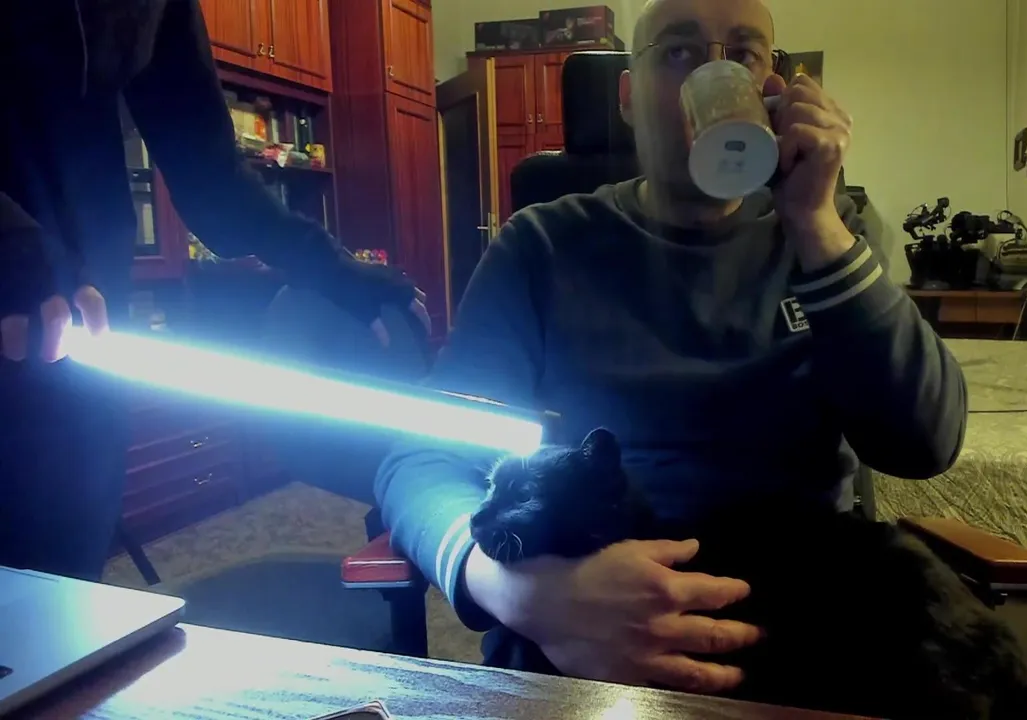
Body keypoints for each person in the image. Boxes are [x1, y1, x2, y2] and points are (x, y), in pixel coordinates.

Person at [376, 0, 966, 695]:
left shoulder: (825, 240)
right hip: (575, 634)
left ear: (772, 90)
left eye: (742, 55)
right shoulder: (542, 245)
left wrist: (815, 221)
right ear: (627, 97)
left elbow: (924, 444)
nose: (713, 74)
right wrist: (518, 592)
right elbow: (421, 457)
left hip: (796, 634)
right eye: (679, 52)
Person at [0, 1, 428, 581]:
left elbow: (211, 177)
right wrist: (14, 244)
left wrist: (334, 269)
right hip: (28, 285)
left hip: (88, 323)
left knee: (62, 571)